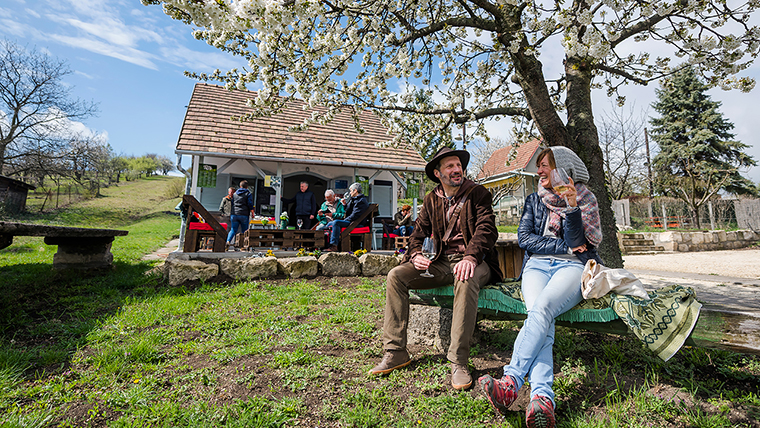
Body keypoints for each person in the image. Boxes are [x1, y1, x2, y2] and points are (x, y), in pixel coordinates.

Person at [478, 146, 603, 428]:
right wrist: (565, 246)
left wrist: (572, 207)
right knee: (539, 314)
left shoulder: (585, 199)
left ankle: (511, 382)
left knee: (542, 309)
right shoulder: (534, 199)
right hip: (537, 265)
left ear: (564, 168)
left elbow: (588, 242)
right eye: (539, 165)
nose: (540, 171)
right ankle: (541, 401)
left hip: (573, 267)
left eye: (546, 165)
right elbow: (525, 239)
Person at [368, 147, 502, 391]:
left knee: (465, 276)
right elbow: (417, 233)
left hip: (477, 262)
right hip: (442, 262)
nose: (456, 169)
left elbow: (487, 230)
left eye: (458, 165)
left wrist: (471, 257)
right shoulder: (431, 199)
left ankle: (458, 361)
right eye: (450, 166)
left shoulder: (478, 193)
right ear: (438, 173)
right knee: (396, 276)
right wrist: (416, 254)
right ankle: (396, 351)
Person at [324, 182, 369, 252]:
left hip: (356, 223)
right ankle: (326, 245)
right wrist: (344, 204)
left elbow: (355, 215)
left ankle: (334, 246)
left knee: (336, 222)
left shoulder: (361, 201)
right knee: (330, 224)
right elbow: (348, 210)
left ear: (355, 191)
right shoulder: (354, 199)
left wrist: (345, 220)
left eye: (351, 191)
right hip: (352, 221)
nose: (350, 193)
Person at [227, 181, 255, 248]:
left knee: (233, 229)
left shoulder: (235, 194)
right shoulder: (248, 193)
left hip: (234, 214)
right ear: (247, 187)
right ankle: (243, 246)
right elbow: (250, 204)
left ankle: (228, 241)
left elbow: (232, 203)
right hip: (244, 214)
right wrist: (252, 212)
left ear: (240, 186)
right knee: (245, 231)